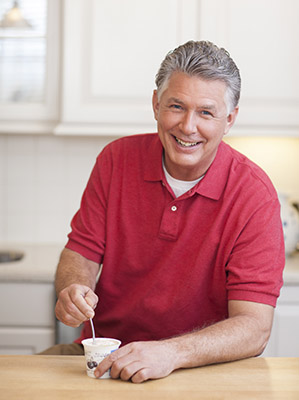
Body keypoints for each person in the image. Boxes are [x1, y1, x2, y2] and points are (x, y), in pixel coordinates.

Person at [47, 41, 285, 383]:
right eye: (177, 106)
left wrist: (170, 353)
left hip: (202, 369)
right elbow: (80, 252)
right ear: (156, 104)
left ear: (229, 119)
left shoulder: (254, 195)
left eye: (206, 112)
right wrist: (74, 286)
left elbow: (254, 328)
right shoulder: (115, 161)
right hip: (109, 358)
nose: (188, 127)